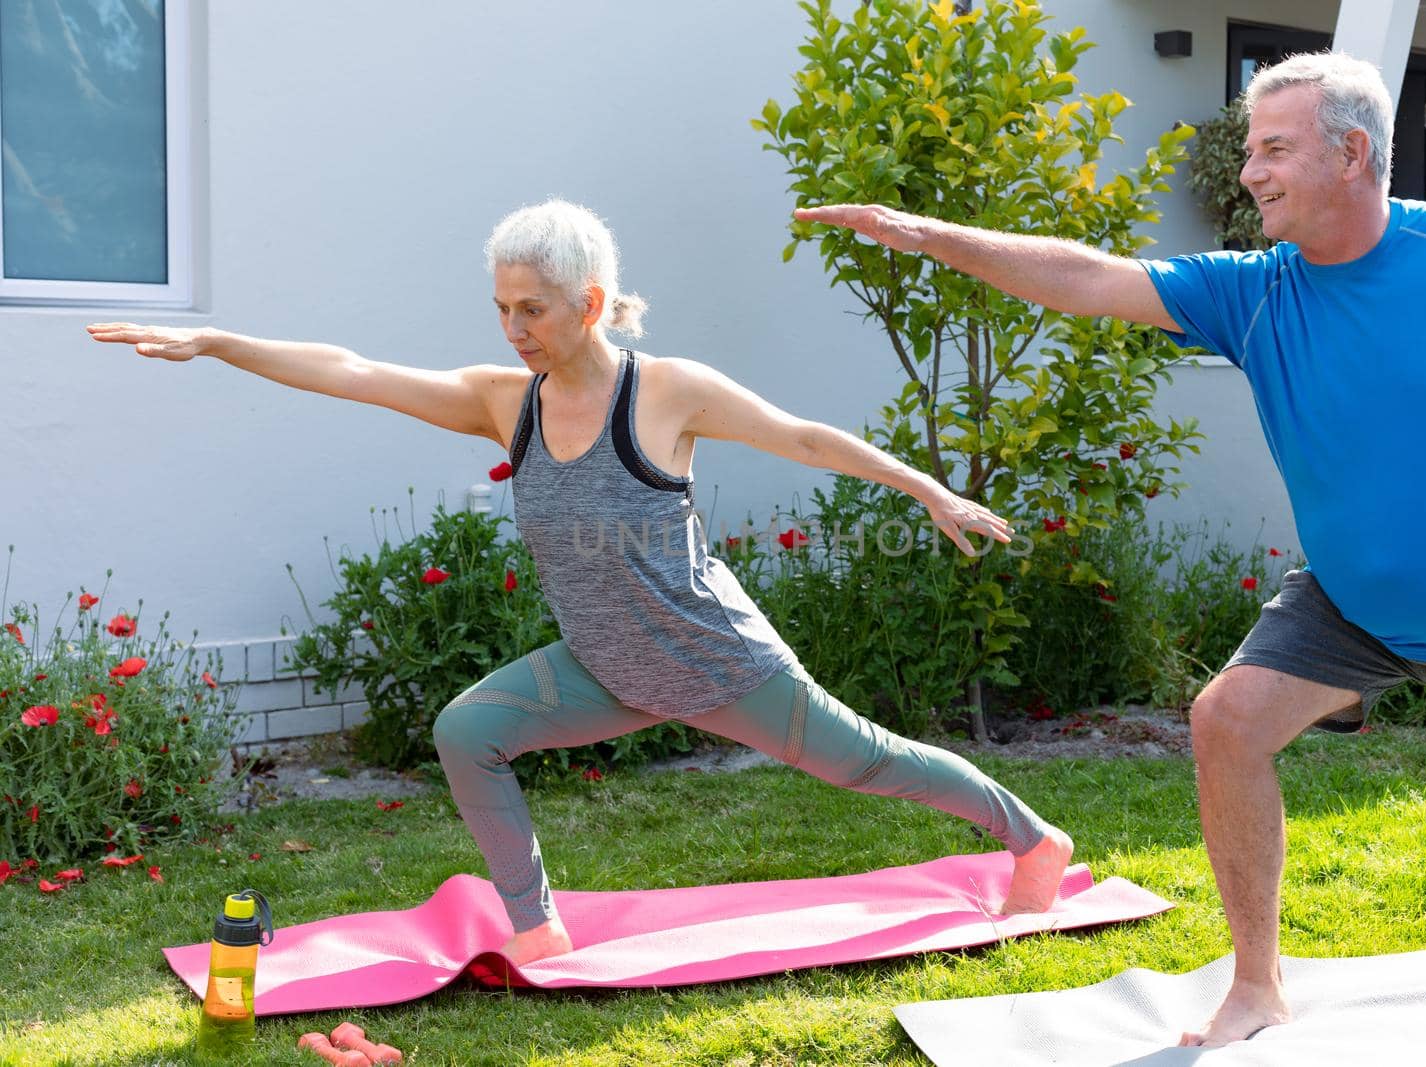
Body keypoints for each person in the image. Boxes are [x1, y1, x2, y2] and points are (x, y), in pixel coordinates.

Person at [798, 51, 1426, 1047]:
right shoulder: (1251, 292)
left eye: (1272, 148)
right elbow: (1089, 280)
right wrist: (928, 235)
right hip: (1354, 601)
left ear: (1351, 153)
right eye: (1249, 150)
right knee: (1226, 719)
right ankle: (1255, 983)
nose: (1249, 171)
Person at [86, 198, 1074, 967]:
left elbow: (802, 434)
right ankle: (538, 925)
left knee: (869, 760)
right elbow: (352, 368)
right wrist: (217, 342)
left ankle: (1034, 841)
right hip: (604, 665)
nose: (514, 327)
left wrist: (929, 490)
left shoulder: (666, 389)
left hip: (714, 657)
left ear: (589, 303)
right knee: (468, 730)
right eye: (502, 307)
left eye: (534, 308)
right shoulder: (499, 399)